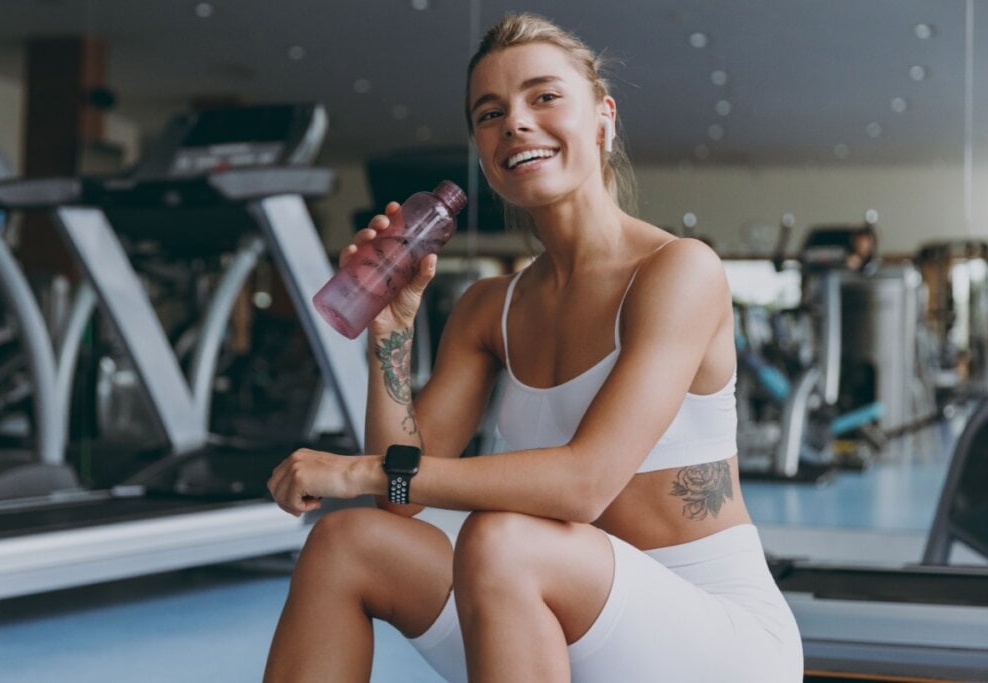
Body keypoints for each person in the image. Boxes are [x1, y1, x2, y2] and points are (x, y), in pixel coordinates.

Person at [264, 12, 803, 683]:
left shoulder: (677, 271)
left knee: (503, 538)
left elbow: (583, 484)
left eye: (544, 97)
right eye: (489, 113)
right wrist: (392, 333)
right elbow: (402, 496)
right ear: (484, 155)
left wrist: (357, 470)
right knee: (345, 542)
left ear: (603, 118)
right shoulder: (490, 307)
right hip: (540, 610)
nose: (514, 122)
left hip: (708, 634)